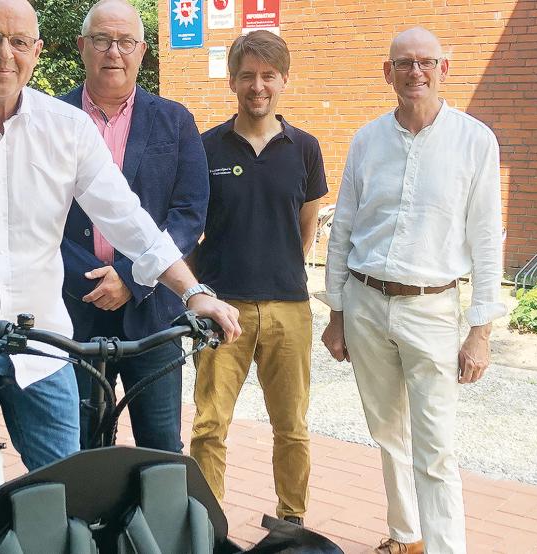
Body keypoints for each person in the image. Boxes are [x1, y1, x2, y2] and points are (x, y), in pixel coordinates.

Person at [0, 0, 240, 551]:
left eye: (19, 41)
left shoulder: (65, 126)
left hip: (38, 336)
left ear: (37, 51)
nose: (5, 53)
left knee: (75, 486)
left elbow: (129, 220)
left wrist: (193, 292)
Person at [320, 27, 505, 554]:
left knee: (436, 447)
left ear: (445, 69)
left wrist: (481, 331)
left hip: (432, 308)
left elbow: (487, 238)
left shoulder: (475, 142)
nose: (415, 72)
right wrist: (337, 311)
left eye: (426, 62)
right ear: (388, 72)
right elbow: (346, 229)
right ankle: (407, 536)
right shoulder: (366, 140)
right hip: (366, 302)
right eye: (404, 63)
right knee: (386, 432)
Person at [189, 30, 327, 526]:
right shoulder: (206, 147)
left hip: (289, 307)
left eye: (268, 75)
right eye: (247, 76)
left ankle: (291, 520)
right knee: (209, 425)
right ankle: (207, 525)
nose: (258, 86)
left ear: (284, 80)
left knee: (291, 426)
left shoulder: (305, 148)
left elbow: (308, 220)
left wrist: (283, 262)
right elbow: (189, 224)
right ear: (232, 82)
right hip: (222, 308)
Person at [59, 0, 209, 453]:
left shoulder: (174, 120)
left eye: (125, 42)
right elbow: (32, 215)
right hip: (72, 309)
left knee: (160, 446)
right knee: (75, 447)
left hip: (154, 314)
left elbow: (189, 214)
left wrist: (129, 276)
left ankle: (152, 527)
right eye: (102, 40)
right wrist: (85, 276)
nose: (114, 52)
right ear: (83, 47)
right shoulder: (49, 117)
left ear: (142, 51)